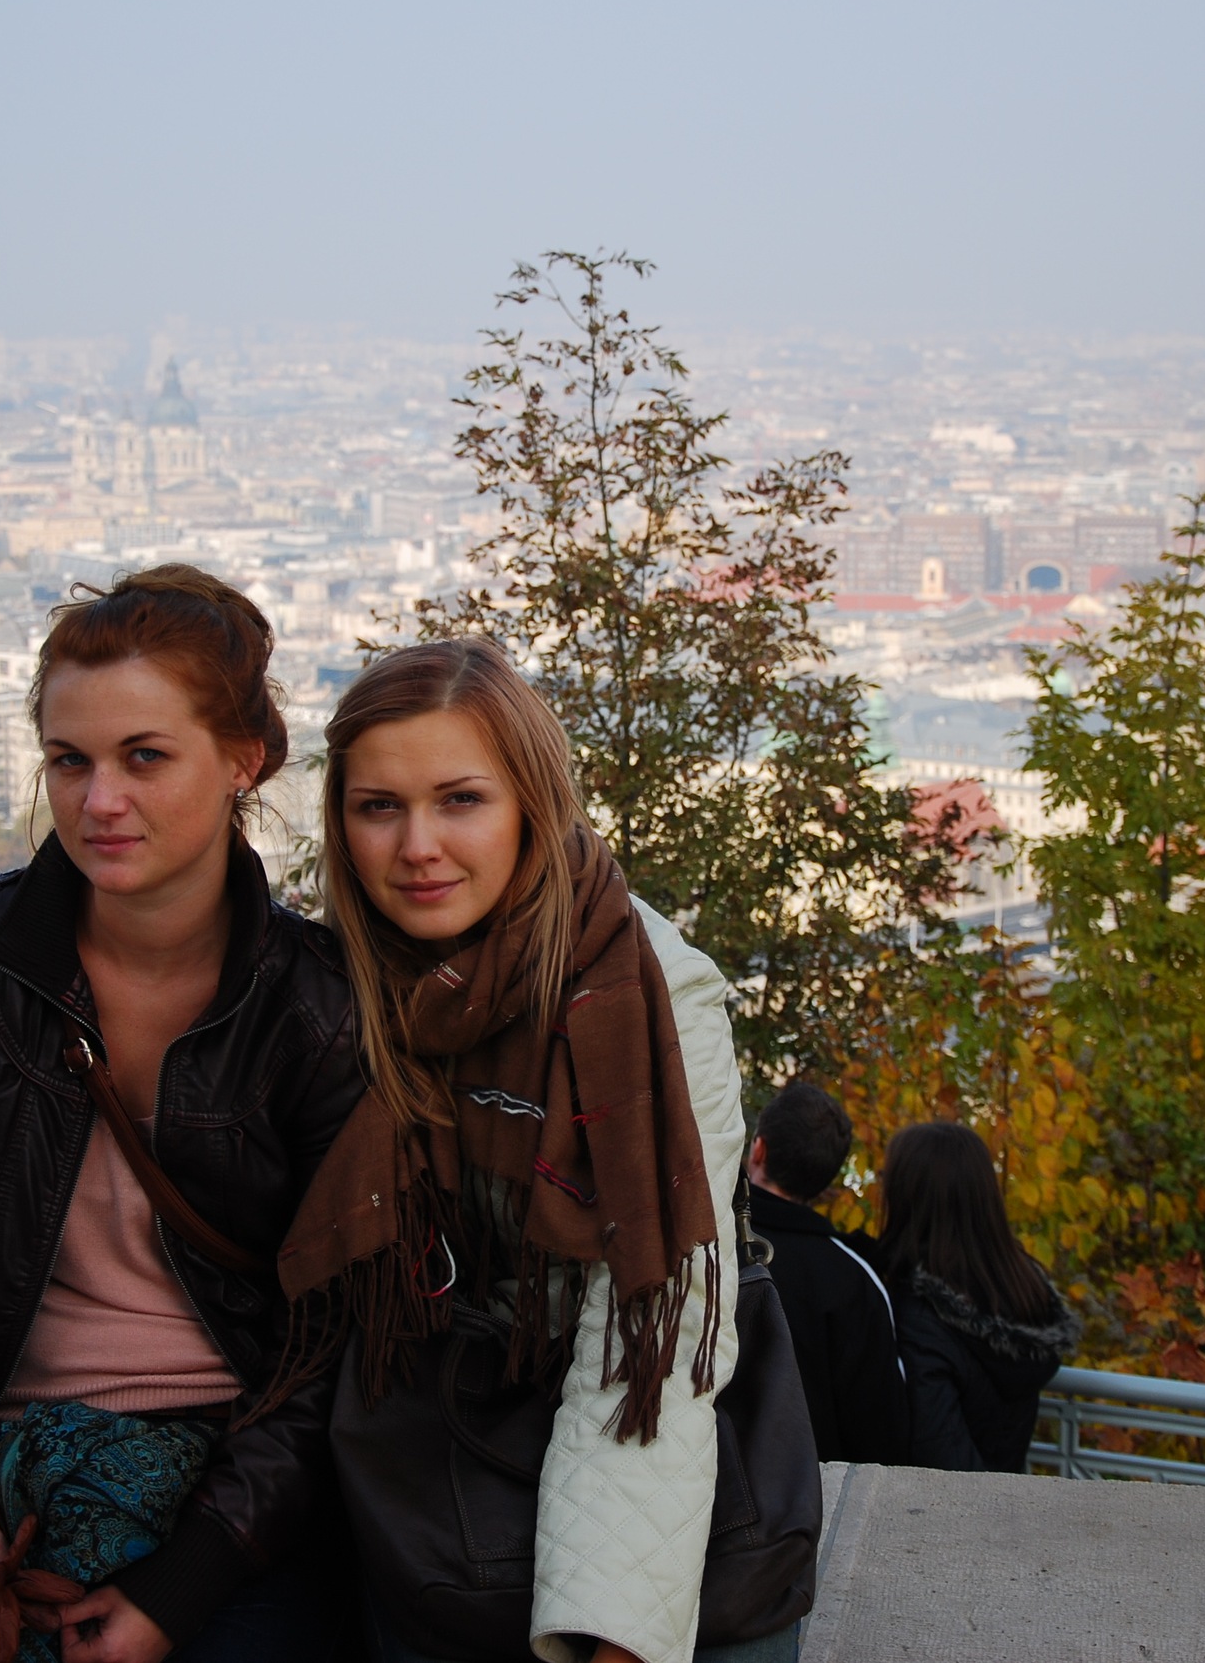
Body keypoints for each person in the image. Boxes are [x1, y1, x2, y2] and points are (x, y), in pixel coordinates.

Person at [0, 565, 367, 1663]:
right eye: (69, 761)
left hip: (234, 1485)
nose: (98, 801)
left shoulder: (319, 1003)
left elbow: (332, 1344)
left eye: (144, 757)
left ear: (243, 761)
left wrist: (188, 1577)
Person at [279, 637, 790, 1663]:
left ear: (533, 804)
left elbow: (647, 1333)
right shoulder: (339, 982)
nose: (417, 845)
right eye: (378, 807)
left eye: (460, 800)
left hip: (616, 1432)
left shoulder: (648, 994)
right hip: (421, 1461)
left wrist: (613, 1636)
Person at [877, 1121, 1079, 1475]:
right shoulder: (1019, 1289)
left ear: (907, 1197)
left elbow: (940, 1458)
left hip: (946, 1505)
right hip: (1006, 1493)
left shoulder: (918, 1318)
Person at [741, 1082, 908, 1466]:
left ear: (759, 1149)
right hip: (808, 1493)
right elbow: (881, 1432)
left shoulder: (702, 1244)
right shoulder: (855, 1280)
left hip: (695, 1485)